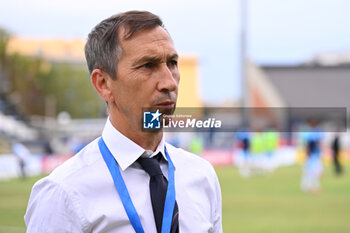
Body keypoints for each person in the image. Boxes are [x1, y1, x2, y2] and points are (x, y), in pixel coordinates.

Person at [25, 11, 222, 233]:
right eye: (148, 65)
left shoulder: (201, 176)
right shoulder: (63, 192)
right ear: (104, 84)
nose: (169, 82)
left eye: (172, 63)